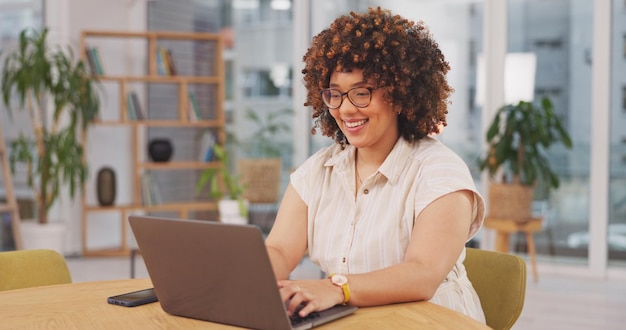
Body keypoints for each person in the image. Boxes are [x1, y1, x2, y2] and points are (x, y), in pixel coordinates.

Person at [264, 7, 486, 323]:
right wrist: (250, 284)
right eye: (335, 95)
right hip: (352, 320)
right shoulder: (317, 171)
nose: (346, 109)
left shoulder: (440, 171)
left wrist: (335, 288)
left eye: (361, 93)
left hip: (433, 321)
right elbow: (280, 251)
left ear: (398, 94)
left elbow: (422, 274)